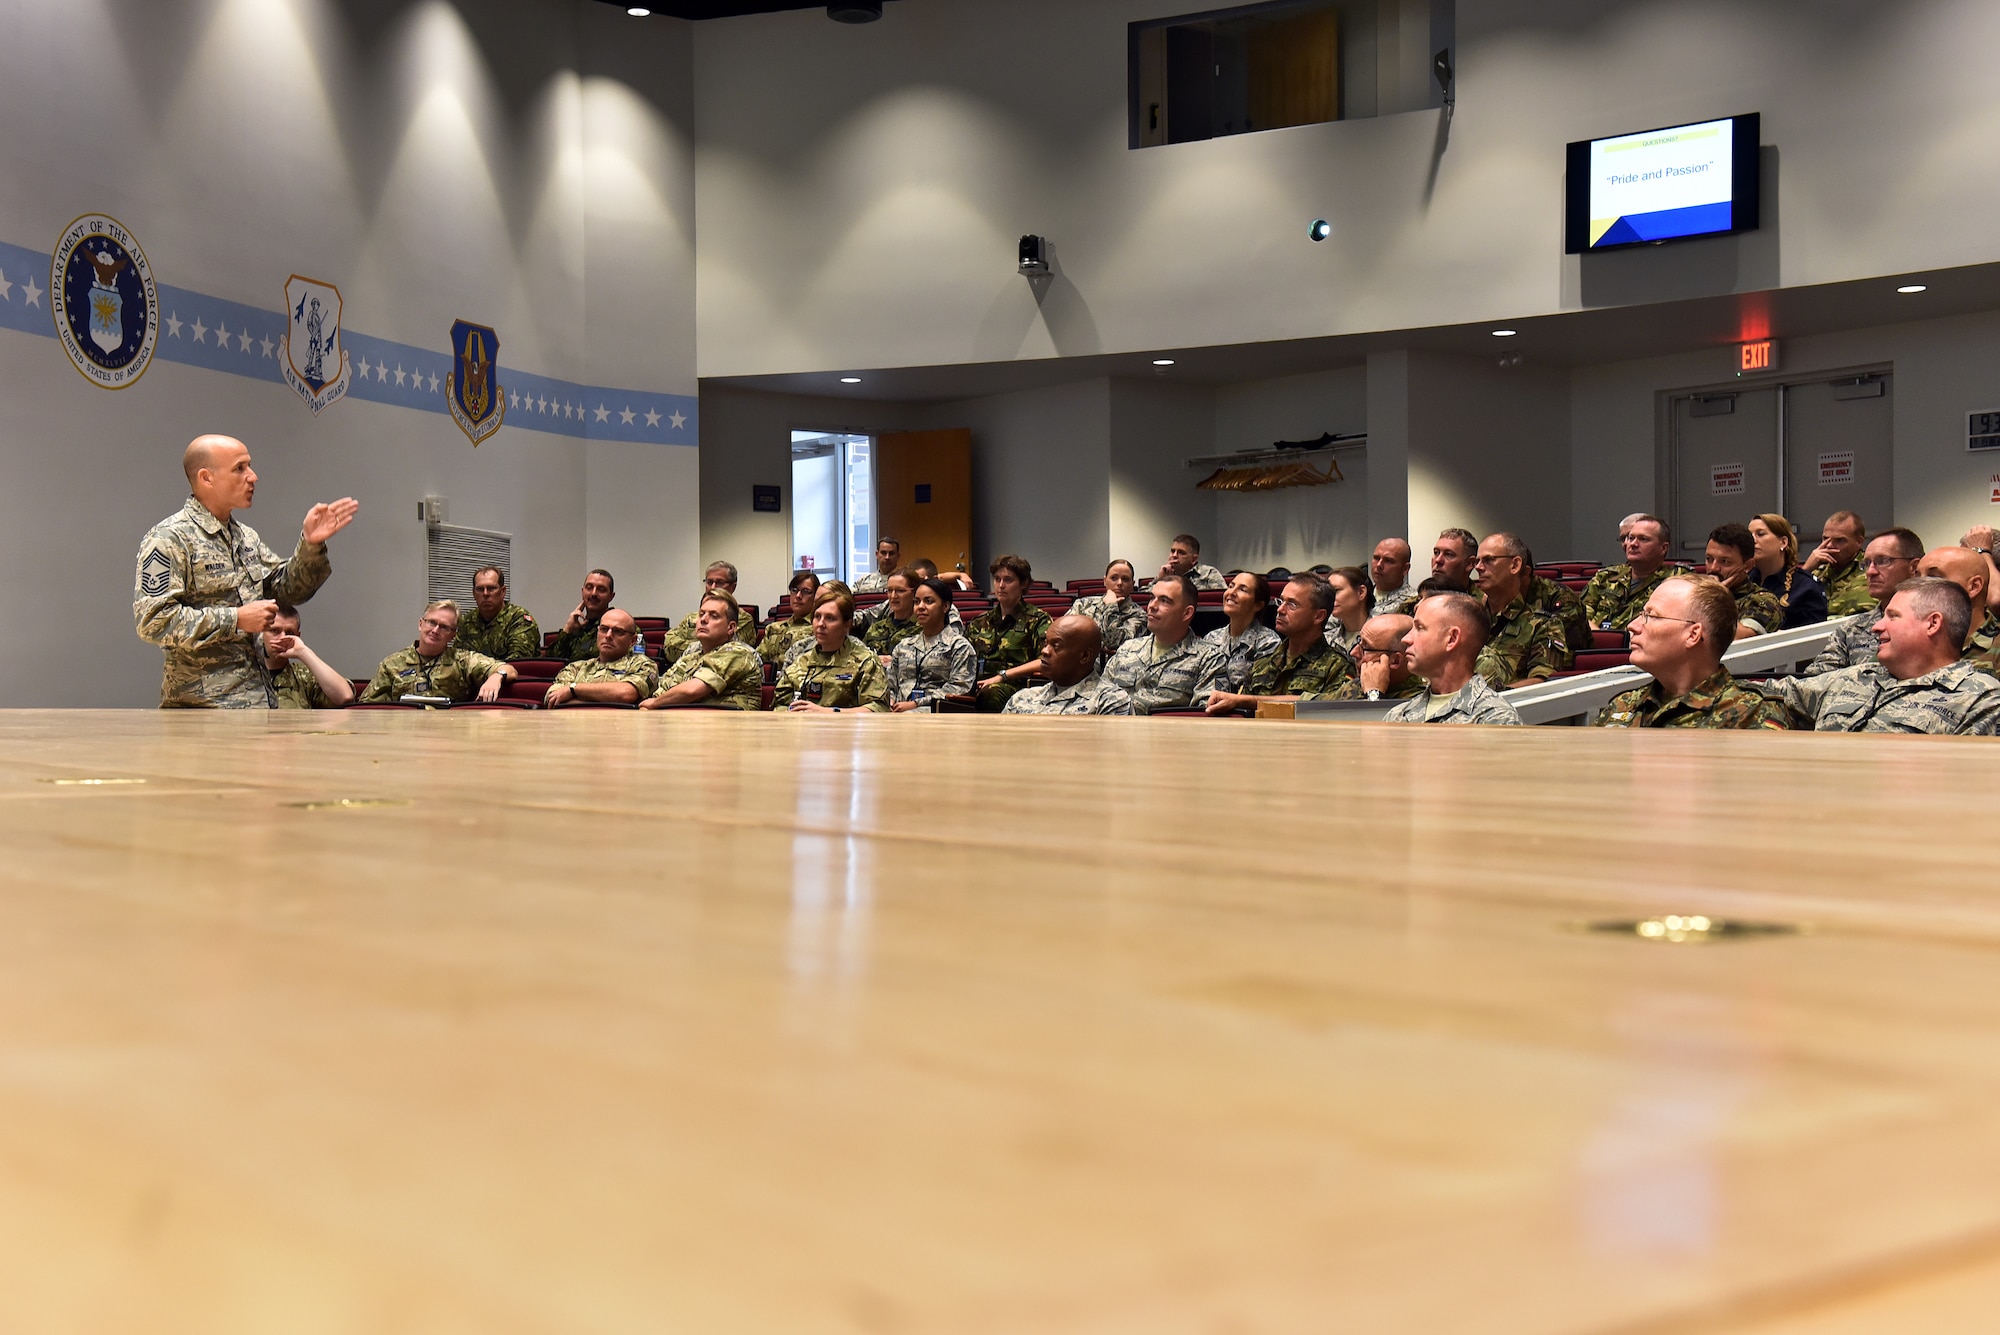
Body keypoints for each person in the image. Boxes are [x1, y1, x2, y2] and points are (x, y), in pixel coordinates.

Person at [134, 433, 360, 708]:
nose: (253, 477)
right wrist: (236, 619)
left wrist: (311, 545)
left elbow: (289, 590)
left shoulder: (245, 537)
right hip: (203, 712)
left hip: (258, 704)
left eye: (249, 466)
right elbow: (154, 623)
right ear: (207, 477)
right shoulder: (169, 538)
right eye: (239, 468)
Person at [1754, 578, 2000, 733]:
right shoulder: (1855, 678)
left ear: (1933, 623)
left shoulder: (1979, 700)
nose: (1876, 627)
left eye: (1892, 616)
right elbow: (1764, 693)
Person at [1594, 576, 1790, 729]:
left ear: (1693, 634)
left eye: (1651, 616)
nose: (1632, 626)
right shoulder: (1624, 705)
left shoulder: (1751, 712)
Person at [1204, 574, 1355, 713]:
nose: (1280, 609)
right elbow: (1243, 714)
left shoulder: (1337, 667)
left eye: (1292, 605)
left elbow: (1331, 711)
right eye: (1281, 601)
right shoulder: (1263, 665)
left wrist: (1248, 701)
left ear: (1318, 616)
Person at [1384, 593, 1521, 724]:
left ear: (1452, 639)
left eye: (1419, 628)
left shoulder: (1495, 718)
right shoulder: (1399, 715)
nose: (1406, 639)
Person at [1803, 528, 1924, 676]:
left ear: (1913, 567)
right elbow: (1814, 678)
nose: (1870, 572)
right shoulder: (1853, 628)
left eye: (1883, 561)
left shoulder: (1931, 625)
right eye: (1866, 563)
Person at [1101, 573, 1225, 714]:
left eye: (1164, 601)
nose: (1152, 606)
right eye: (1152, 598)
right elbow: (1100, 698)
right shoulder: (1127, 649)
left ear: (1186, 613)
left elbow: (1206, 715)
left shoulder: (1209, 659)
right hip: (1116, 731)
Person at [360, 600, 517, 704]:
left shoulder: (462, 660)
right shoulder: (392, 664)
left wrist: (498, 676)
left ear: (453, 634)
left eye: (444, 627)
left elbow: (510, 670)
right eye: (432, 623)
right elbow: (366, 708)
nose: (435, 630)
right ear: (421, 624)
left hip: (450, 736)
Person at [1472, 533, 1572, 689]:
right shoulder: (1467, 618)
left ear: (1515, 565)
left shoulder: (1543, 625)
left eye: (1489, 560)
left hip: (1509, 707)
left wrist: (1493, 697)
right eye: (1477, 561)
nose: (1478, 567)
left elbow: (1542, 683)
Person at [774, 589, 890, 713]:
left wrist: (830, 712)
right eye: (817, 617)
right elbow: (779, 703)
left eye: (830, 618)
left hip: (847, 730)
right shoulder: (801, 661)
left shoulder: (866, 662)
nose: (821, 624)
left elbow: (878, 708)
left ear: (847, 625)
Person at [642, 593, 763, 710]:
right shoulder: (689, 658)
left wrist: (654, 704)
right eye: (701, 614)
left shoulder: (739, 653)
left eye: (714, 616)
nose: (703, 620)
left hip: (730, 727)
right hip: (684, 725)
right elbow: (661, 693)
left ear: (730, 627)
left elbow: (691, 691)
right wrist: (650, 707)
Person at [967, 554, 1052, 711]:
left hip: (1017, 687)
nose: (1001, 585)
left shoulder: (1037, 619)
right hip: (978, 686)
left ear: (1023, 584)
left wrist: (1002, 676)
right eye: (997, 579)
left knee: (991, 693)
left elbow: (1045, 661)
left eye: (1008, 580)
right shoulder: (979, 622)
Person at [1002, 615, 1134, 715]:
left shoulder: (1110, 702)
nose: (1044, 651)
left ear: (1085, 656)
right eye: (1046, 643)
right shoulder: (1022, 698)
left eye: (1056, 645)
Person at [885, 578, 977, 710]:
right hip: (897, 710)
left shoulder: (959, 647)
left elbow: (958, 688)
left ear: (945, 606)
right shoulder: (903, 646)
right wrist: (891, 701)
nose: (921, 607)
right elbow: (890, 684)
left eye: (928, 601)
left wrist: (916, 703)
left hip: (935, 711)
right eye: (917, 602)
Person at [543, 609, 657, 706]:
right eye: (604, 629)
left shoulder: (644, 665)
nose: (608, 636)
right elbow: (552, 698)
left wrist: (573, 689)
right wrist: (604, 700)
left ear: (632, 640)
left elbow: (626, 694)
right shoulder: (576, 668)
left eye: (618, 631)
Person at [1581, 514, 1673, 631]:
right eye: (1631, 538)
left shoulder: (1676, 580)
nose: (1632, 544)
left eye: (1643, 539)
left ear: (1663, 548)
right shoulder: (1605, 577)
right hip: (1596, 646)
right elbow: (1579, 615)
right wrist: (1601, 639)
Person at [1916, 546, 1999, 674]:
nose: (1917, 586)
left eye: (1933, 578)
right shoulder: (1907, 639)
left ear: (1973, 586)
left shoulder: (1996, 646)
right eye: (1916, 578)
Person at [264, 603, 355, 709]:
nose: (282, 638)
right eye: (275, 631)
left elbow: (345, 696)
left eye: (290, 633)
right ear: (259, 633)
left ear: (297, 636)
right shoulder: (244, 673)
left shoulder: (303, 677)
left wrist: (302, 651)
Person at [1202, 570, 1281, 693]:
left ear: (1258, 605)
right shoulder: (1211, 638)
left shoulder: (1268, 642)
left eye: (1242, 589)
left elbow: (1260, 693)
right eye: (1231, 586)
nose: (1232, 592)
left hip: (1244, 710)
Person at [661, 562, 758, 660]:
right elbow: (669, 647)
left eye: (719, 582)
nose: (713, 587)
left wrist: (699, 645)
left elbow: (726, 649)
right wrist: (700, 646)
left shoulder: (743, 619)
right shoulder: (690, 618)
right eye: (709, 582)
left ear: (733, 586)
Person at [1703, 523, 1786, 637]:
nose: (1713, 568)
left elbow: (1737, 639)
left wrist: (1713, 596)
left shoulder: (1763, 601)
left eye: (1725, 562)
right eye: (1709, 559)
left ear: (1747, 566)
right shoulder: (1692, 590)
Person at [1748, 513, 1828, 629]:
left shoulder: (1805, 587)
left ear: (1783, 542)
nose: (1753, 540)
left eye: (1760, 534)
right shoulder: (1743, 581)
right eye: (1749, 536)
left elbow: (1814, 639)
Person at [1331, 613, 1426, 702]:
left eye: (1366, 648)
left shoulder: (1418, 700)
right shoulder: (1356, 685)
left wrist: (1373, 693)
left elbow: (1371, 719)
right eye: (1359, 641)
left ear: (1395, 661)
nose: (1353, 653)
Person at [455, 566, 541, 661]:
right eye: (480, 589)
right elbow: (457, 658)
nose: (485, 594)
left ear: (502, 591)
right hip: (474, 675)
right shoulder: (467, 621)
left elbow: (517, 661)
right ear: (474, 593)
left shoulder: (519, 619)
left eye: (491, 588)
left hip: (511, 674)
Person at [1067, 559, 1147, 656]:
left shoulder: (1139, 615)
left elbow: (1114, 643)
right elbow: (1065, 634)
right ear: (1105, 581)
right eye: (1114, 578)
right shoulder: (1083, 604)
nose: (1119, 583)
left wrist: (1111, 607)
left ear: (1132, 584)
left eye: (1125, 579)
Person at [1800, 511, 1871, 617]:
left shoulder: (1872, 570)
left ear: (1859, 542)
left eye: (1839, 540)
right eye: (1825, 539)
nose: (1829, 545)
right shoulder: (1815, 573)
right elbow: (1786, 607)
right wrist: (1805, 570)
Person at [1521, 550, 1590, 651]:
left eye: (1491, 560)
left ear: (1517, 567)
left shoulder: (1563, 599)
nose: (1487, 568)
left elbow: (1561, 653)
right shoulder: (1492, 598)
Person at [549, 569, 617, 661]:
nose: (593, 593)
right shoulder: (575, 629)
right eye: (589, 587)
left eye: (601, 589)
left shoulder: (620, 628)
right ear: (582, 591)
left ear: (611, 596)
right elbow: (552, 664)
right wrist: (567, 630)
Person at [761, 569, 821, 665]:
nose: (798, 596)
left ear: (816, 597)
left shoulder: (820, 629)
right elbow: (758, 661)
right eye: (794, 590)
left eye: (805, 591)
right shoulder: (773, 628)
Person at [861, 569, 922, 655]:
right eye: (889, 590)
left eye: (900, 590)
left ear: (915, 593)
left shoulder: (922, 629)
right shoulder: (876, 628)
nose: (893, 596)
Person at [1323, 566, 1372, 656]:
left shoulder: (1381, 638)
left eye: (1336, 590)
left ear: (1361, 592)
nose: (1329, 598)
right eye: (1328, 593)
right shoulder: (1326, 640)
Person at [1153, 534, 1225, 591]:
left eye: (1181, 553)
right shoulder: (1166, 573)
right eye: (1172, 551)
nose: (1174, 555)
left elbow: (1221, 599)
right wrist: (1160, 580)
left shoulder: (1209, 573)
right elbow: (1144, 596)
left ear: (1194, 559)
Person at [1369, 539, 1418, 615]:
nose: (1379, 565)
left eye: (1388, 560)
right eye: (1376, 558)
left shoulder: (1414, 603)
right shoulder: (1360, 597)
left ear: (1405, 568)